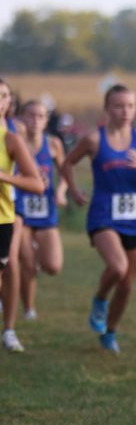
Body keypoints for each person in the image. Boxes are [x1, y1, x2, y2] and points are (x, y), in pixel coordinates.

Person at [61, 85, 136, 353]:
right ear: (107, 109)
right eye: (119, 106)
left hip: (134, 218)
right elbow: (67, 163)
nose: (125, 111)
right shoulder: (94, 140)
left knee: (127, 284)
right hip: (103, 215)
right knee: (118, 267)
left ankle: (110, 332)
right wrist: (73, 190)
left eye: (130, 106)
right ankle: (99, 300)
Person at [0, 81, 46, 353]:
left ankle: (9, 330)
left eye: (4, 96)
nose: (0, 101)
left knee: (13, 268)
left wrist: (3, 176)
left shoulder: (11, 140)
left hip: (3, 218)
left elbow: (37, 184)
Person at [14, 100, 66, 321]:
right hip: (20, 211)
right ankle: (28, 308)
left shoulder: (53, 144)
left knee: (53, 266)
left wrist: (62, 191)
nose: (35, 120)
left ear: (46, 121)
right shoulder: (15, 143)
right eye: (31, 115)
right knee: (27, 262)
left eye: (40, 116)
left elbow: (65, 172)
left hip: (46, 212)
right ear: (22, 118)